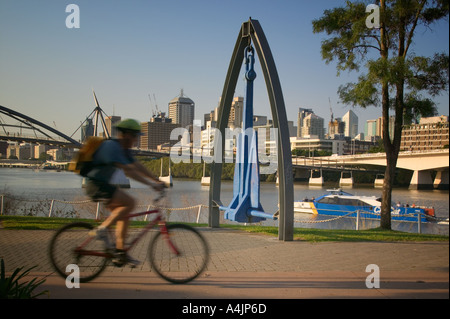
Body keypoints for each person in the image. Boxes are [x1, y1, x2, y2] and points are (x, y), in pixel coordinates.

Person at [85, 119, 165, 267]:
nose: (136, 140)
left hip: (103, 185)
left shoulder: (123, 150)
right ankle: (102, 230)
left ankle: (120, 253)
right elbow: (129, 171)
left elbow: (137, 166)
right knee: (130, 203)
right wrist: (151, 184)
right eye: (135, 136)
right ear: (127, 135)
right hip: (96, 185)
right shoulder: (112, 147)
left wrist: (156, 180)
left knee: (124, 214)